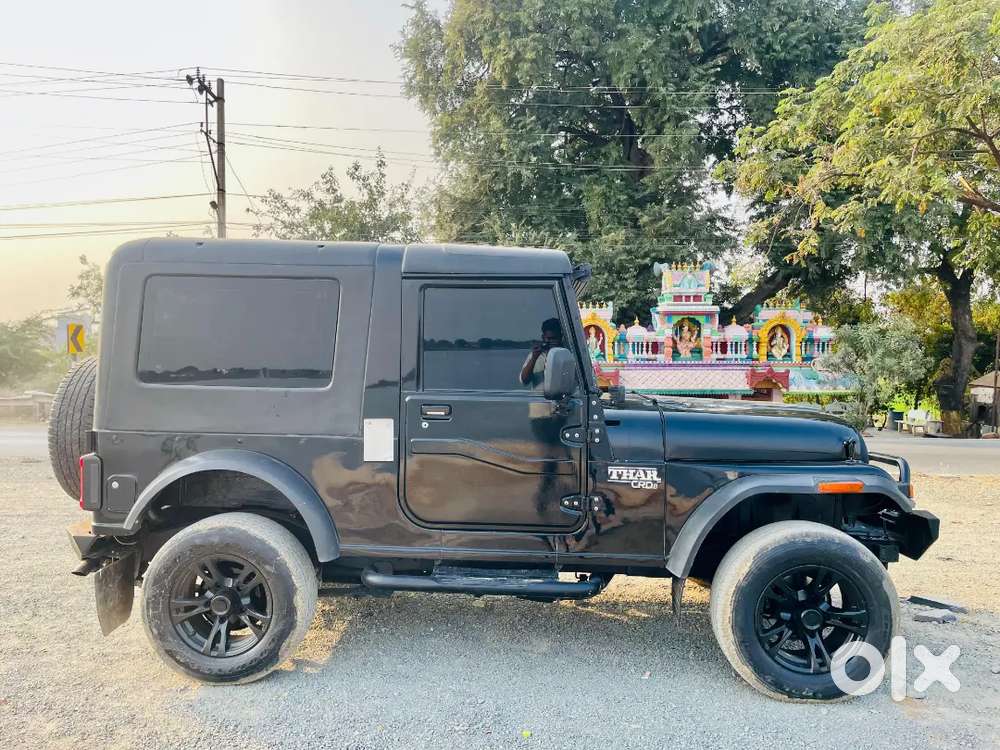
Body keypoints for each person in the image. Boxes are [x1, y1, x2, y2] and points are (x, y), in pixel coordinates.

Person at [520, 318, 563, 388]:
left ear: (561, 337)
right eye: (548, 339)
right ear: (543, 337)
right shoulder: (535, 355)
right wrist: (534, 358)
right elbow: (524, 380)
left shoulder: (568, 355)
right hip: (539, 398)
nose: (551, 342)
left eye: (554, 339)